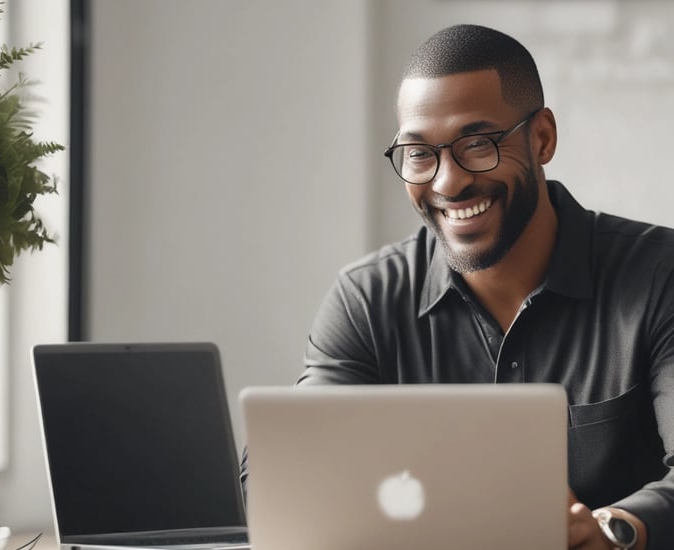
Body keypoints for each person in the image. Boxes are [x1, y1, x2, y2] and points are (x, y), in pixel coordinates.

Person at [240, 23, 674, 550]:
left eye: (478, 143)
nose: (448, 182)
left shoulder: (660, 276)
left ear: (542, 138)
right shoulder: (367, 299)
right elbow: (287, 479)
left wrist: (611, 530)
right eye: (420, 153)